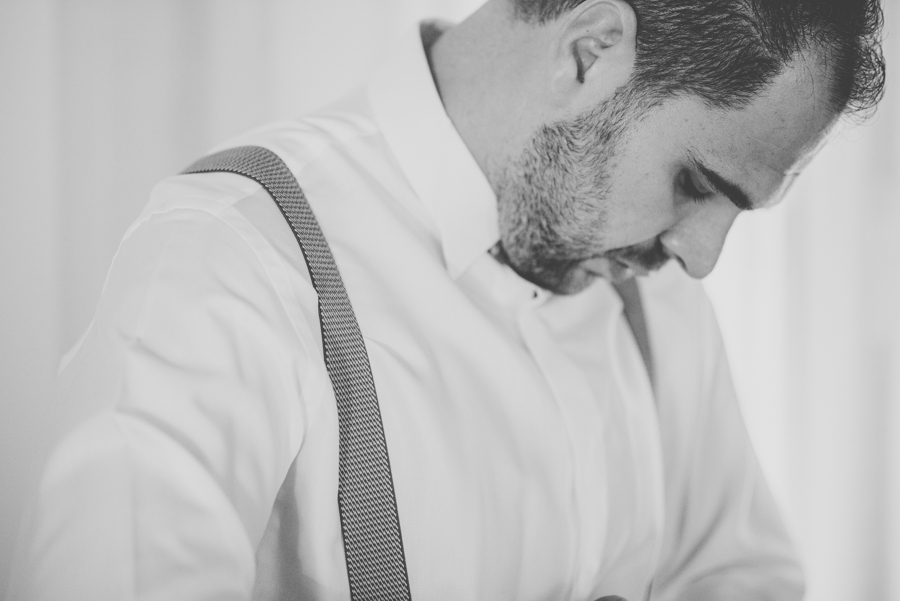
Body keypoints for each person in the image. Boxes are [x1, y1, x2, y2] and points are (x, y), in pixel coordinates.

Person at [10, 0, 885, 599]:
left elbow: (742, 575)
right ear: (590, 52)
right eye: (697, 181)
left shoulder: (650, 289)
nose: (701, 258)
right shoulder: (233, 260)